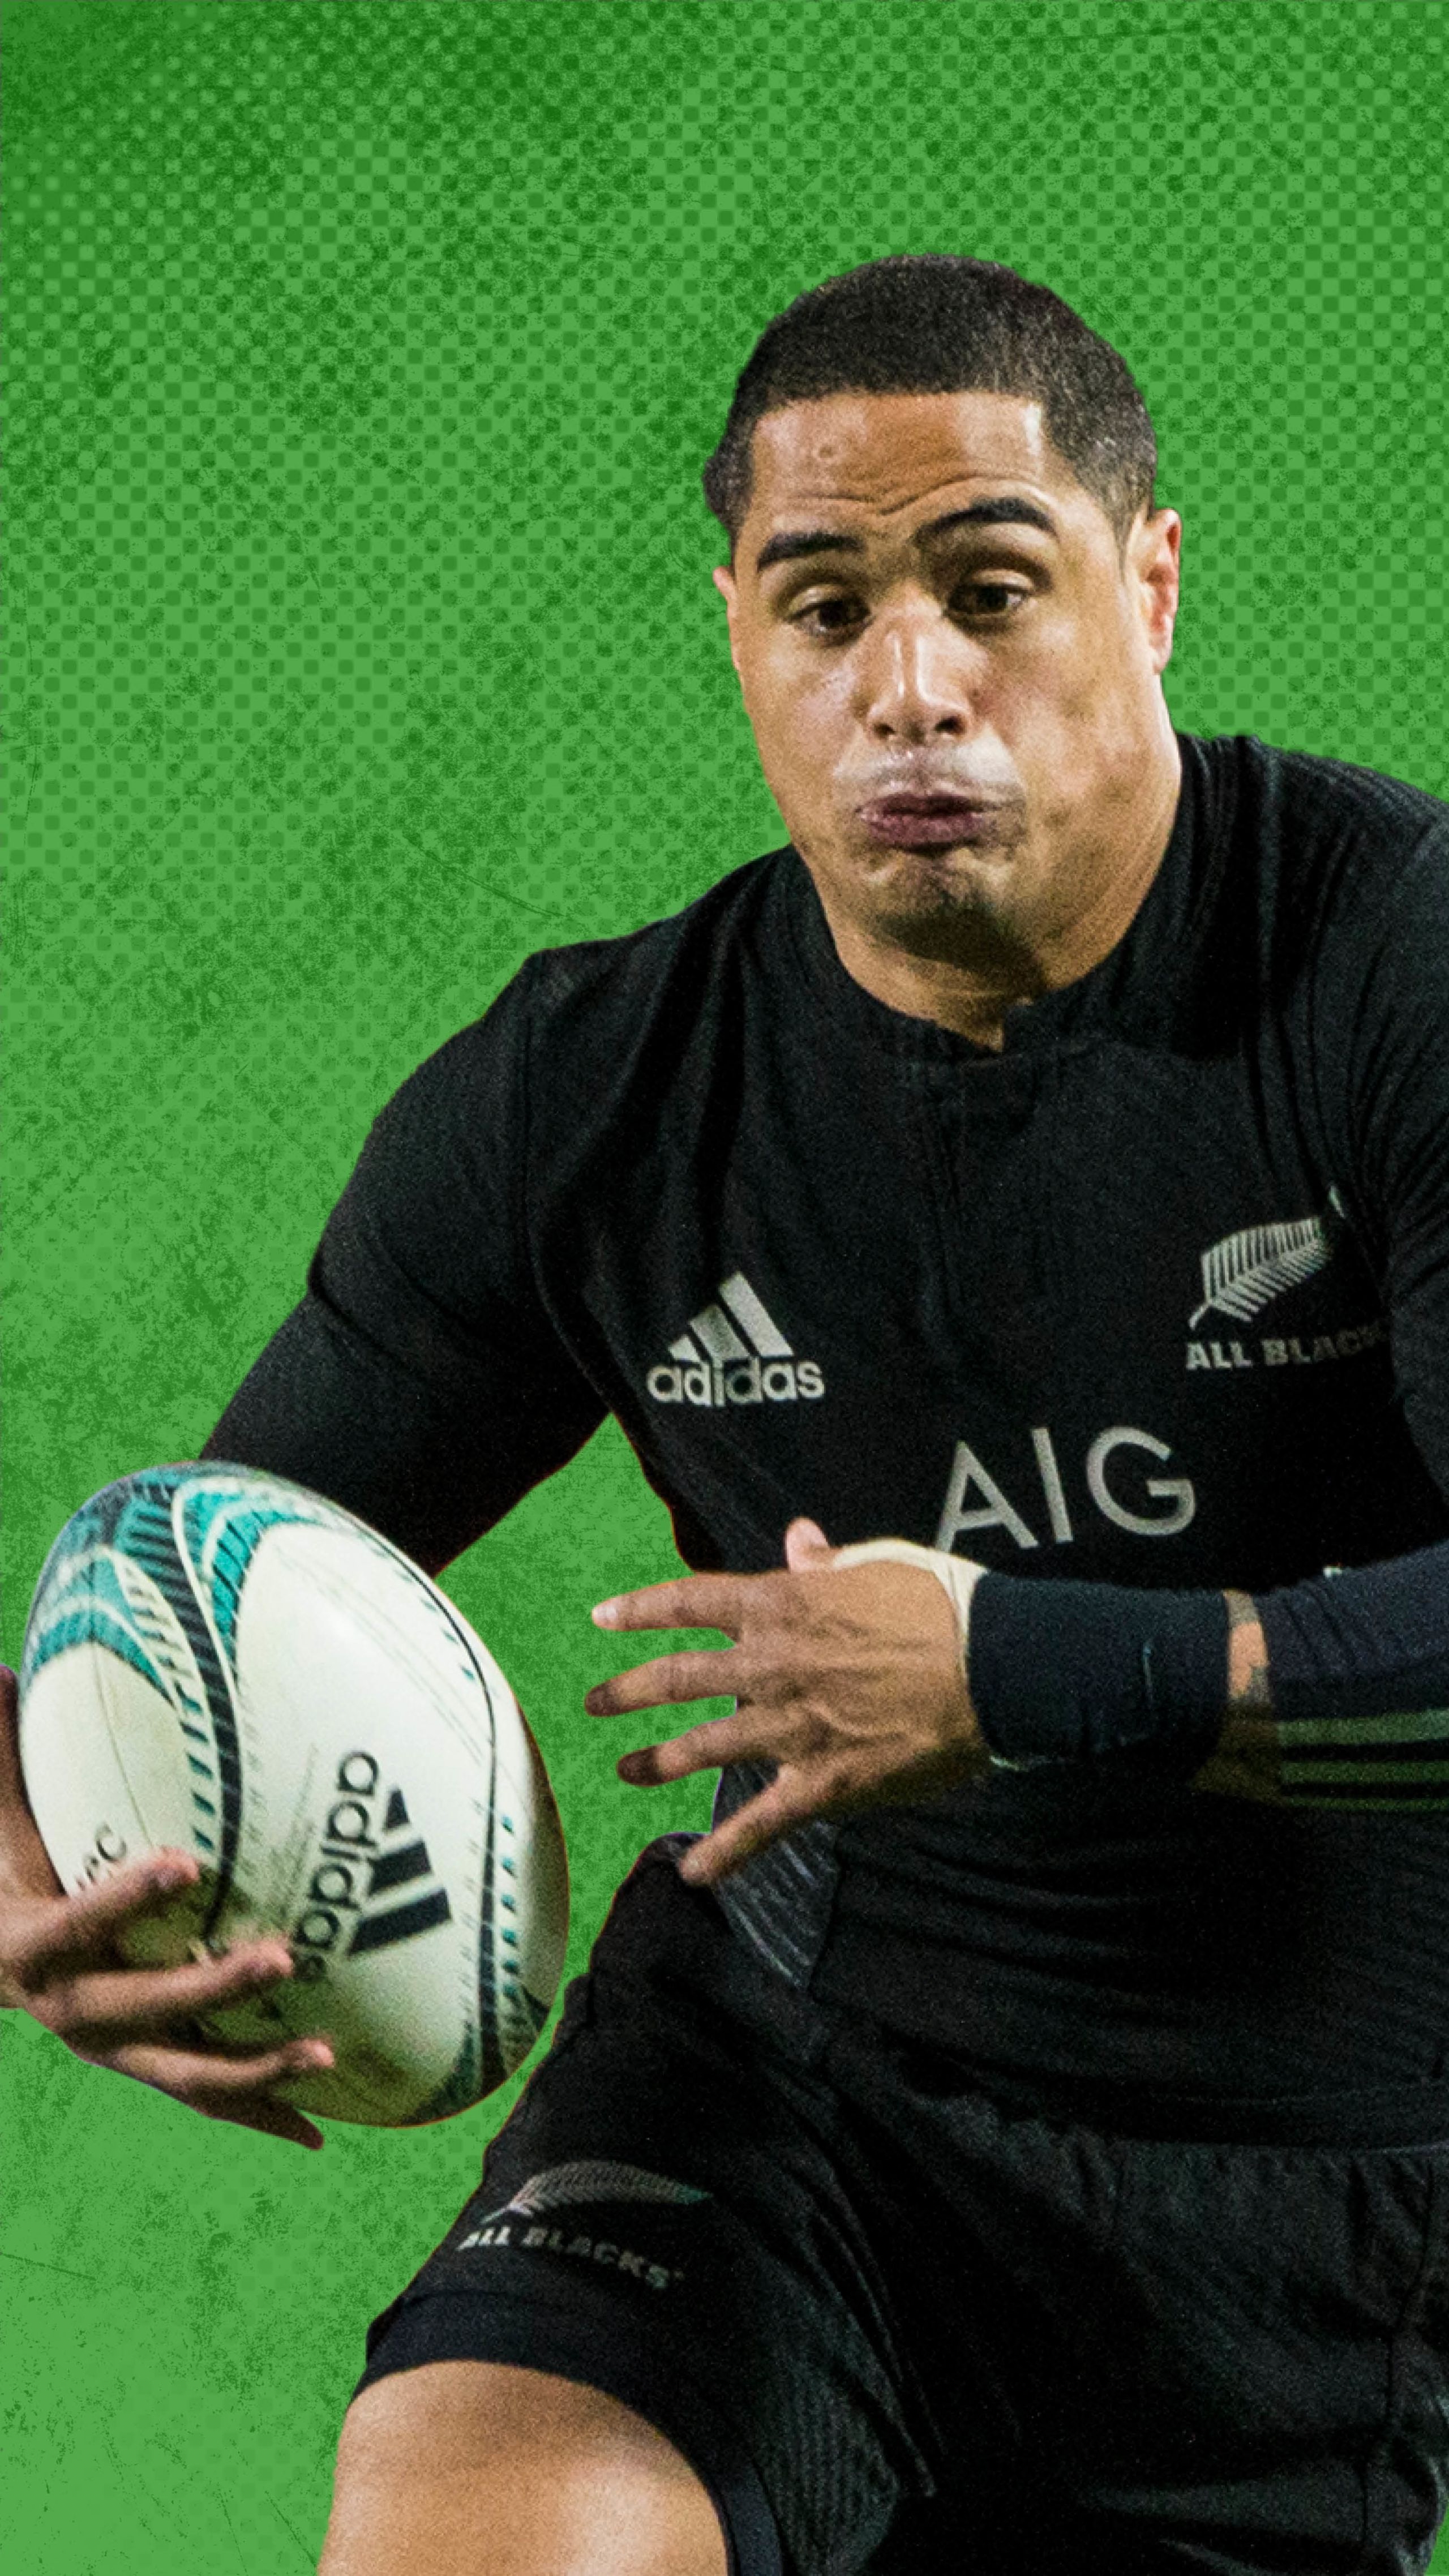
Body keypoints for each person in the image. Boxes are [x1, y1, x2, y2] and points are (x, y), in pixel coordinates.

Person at [4, 254, 1449, 2575]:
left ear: (1153, 583)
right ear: (740, 636)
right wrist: (36, 1828)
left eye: (994, 589)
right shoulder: (594, 1093)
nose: (911, 684)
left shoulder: (1393, 970)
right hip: (782, 2091)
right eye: (824, 607)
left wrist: (1021, 1667)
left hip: (1282, 2197)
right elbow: (182, 1575)